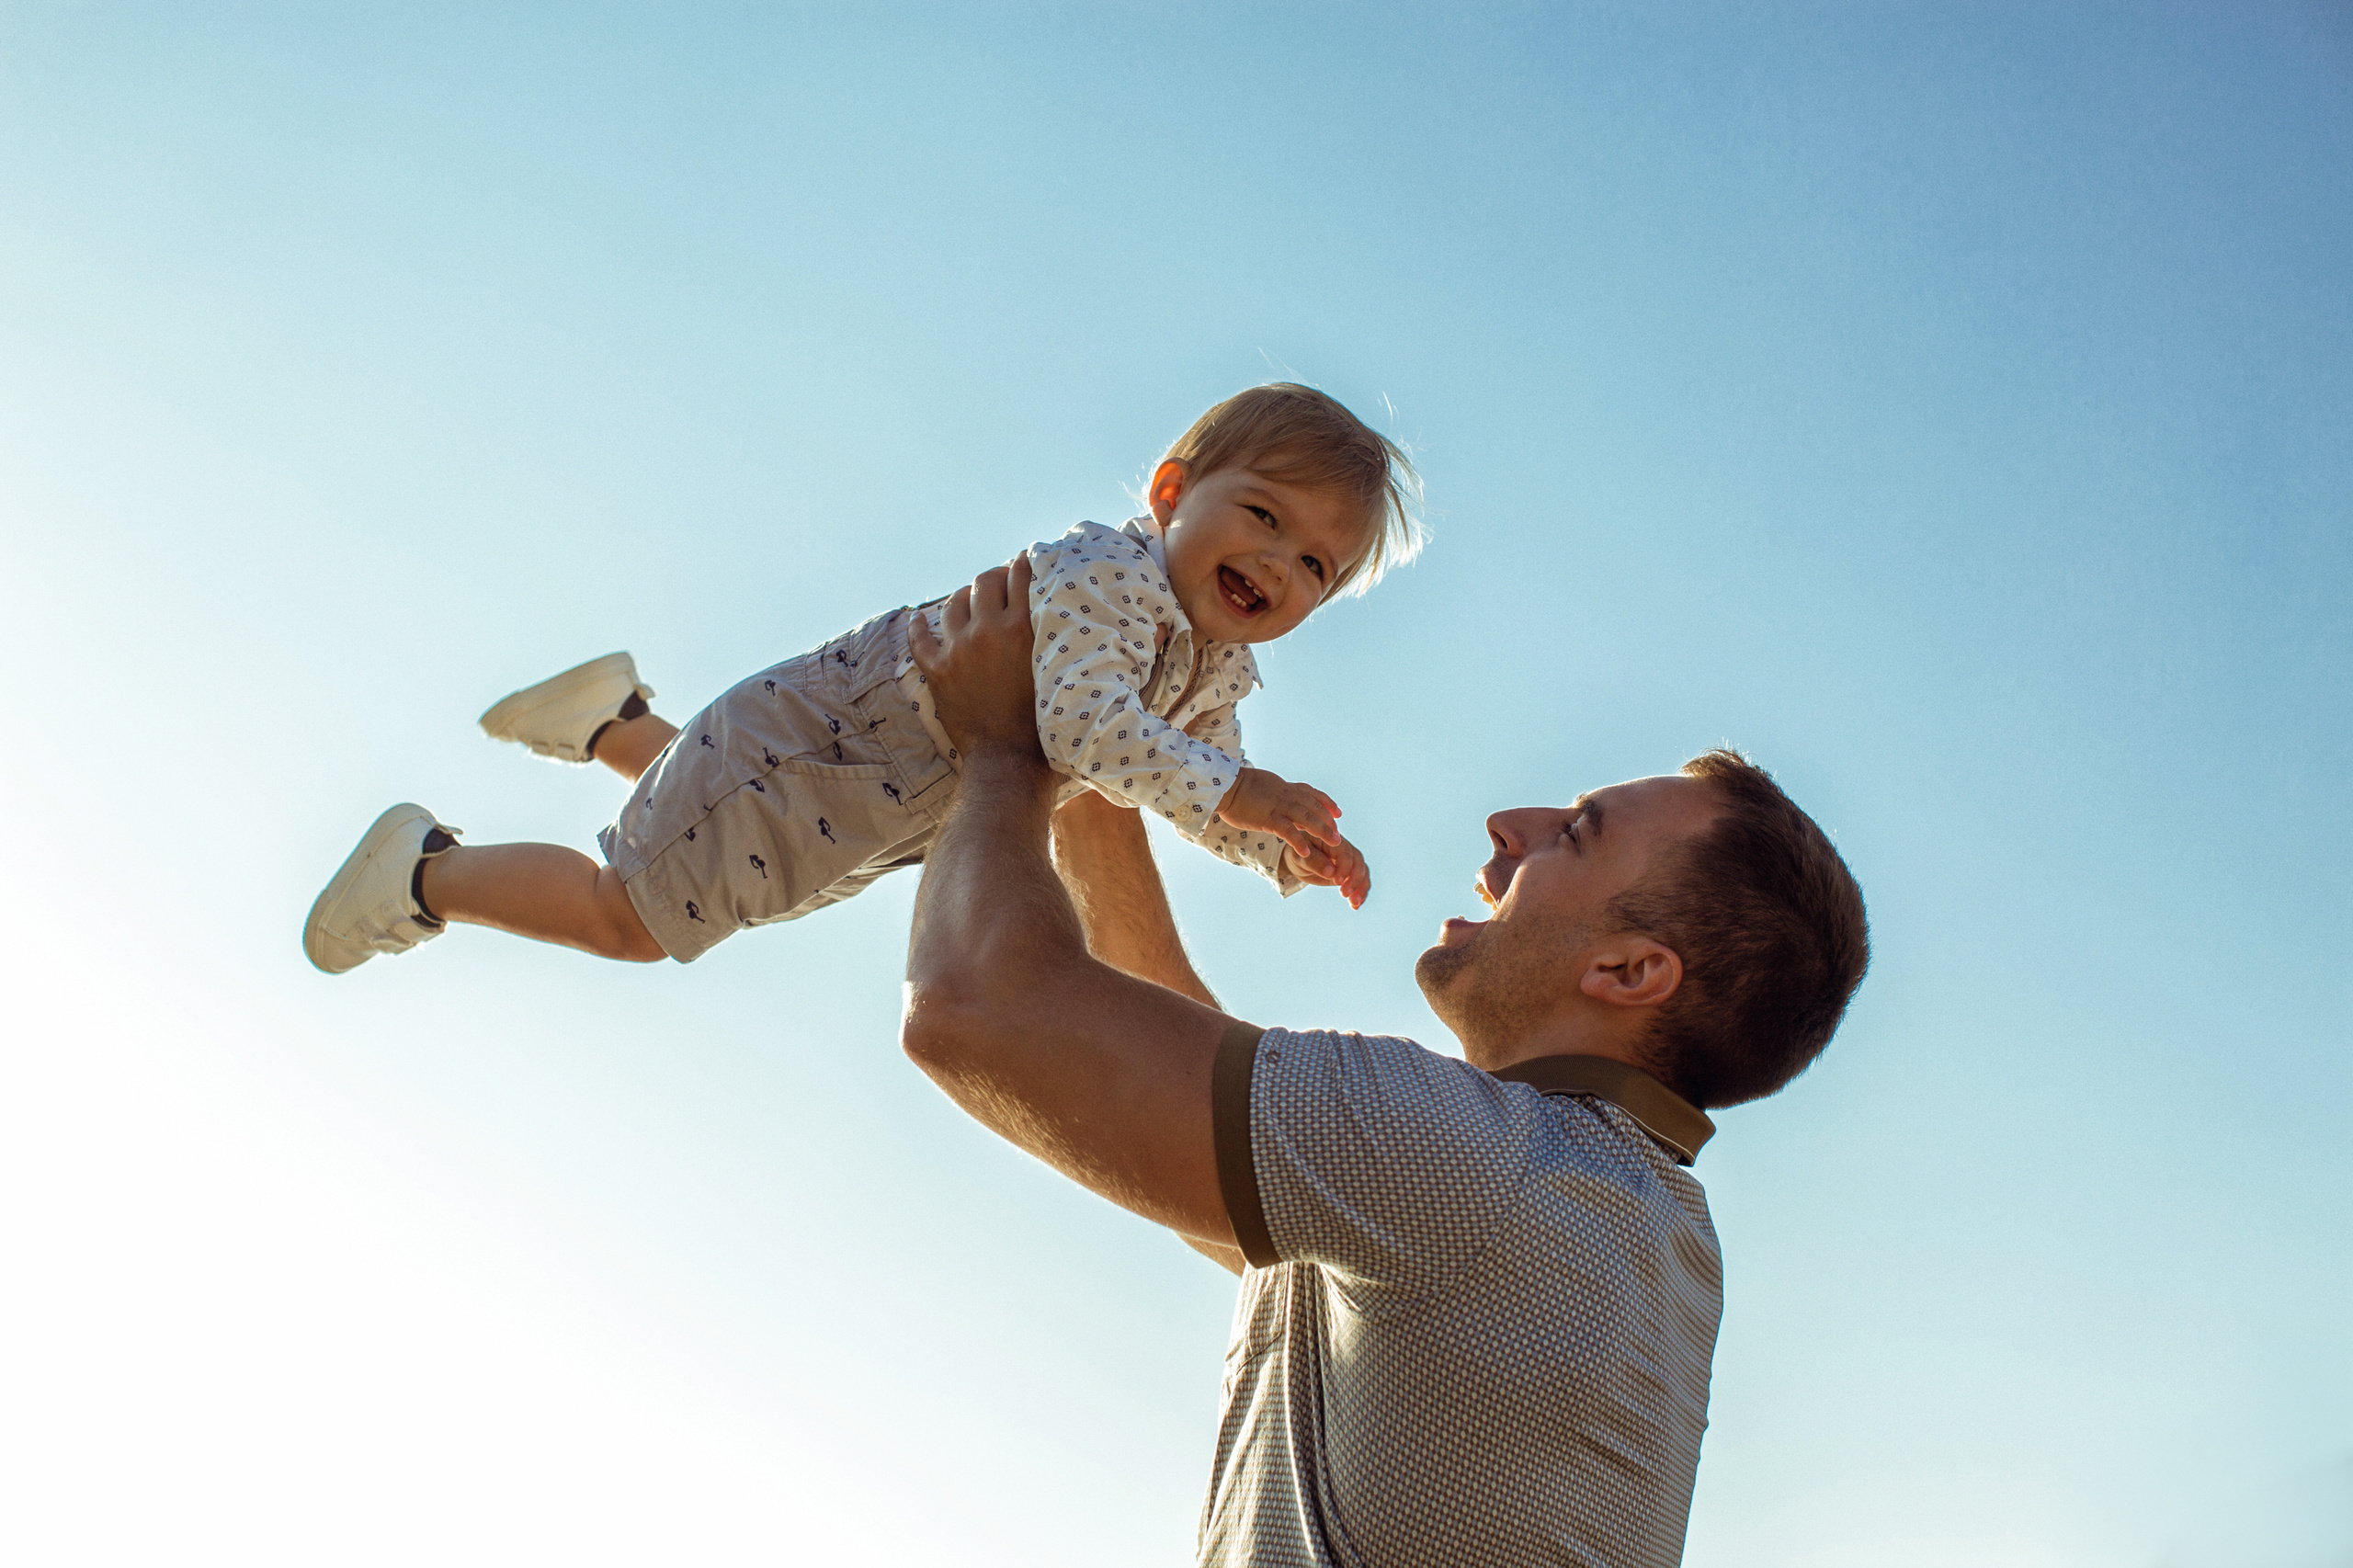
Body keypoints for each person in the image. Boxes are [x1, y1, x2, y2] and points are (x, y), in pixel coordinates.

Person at [898, 557, 1870, 1566]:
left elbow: (974, 1007)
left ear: (1629, 970)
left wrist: (1004, 744)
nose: (1514, 822)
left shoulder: (1469, 1162)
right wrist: (1098, 778)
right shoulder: (1639, 1224)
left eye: (1576, 832)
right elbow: (1163, 1085)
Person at [302, 383, 1419, 974]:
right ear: (1174, 491)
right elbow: (1090, 731)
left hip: (859, 804)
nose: (1277, 564)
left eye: (1315, 563)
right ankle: (424, 871)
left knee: (708, 829)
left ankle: (611, 721)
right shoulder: (1106, 574)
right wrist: (1241, 797)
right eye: (1262, 516)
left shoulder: (1216, 663)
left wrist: (1272, 839)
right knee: (628, 913)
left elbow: (1190, 774)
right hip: (820, 748)